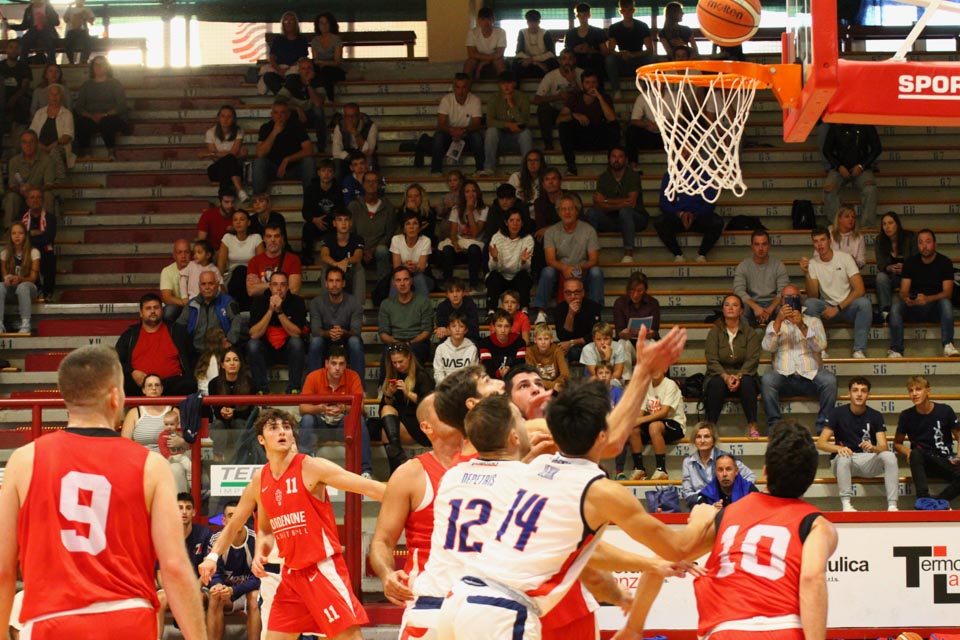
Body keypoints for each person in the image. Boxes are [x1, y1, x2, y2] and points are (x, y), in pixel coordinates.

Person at [436, 380, 714, 640]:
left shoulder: (536, 466)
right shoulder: (601, 491)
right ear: (602, 436)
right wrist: (701, 518)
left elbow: (590, 556)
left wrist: (644, 570)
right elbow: (678, 547)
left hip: (459, 598)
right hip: (503, 610)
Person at [0, 345, 206, 639]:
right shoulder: (150, 465)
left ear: (66, 397)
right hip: (127, 618)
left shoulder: (24, 460)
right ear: (115, 396)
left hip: (52, 619)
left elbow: (4, 569)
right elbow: (173, 567)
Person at [240, 409, 383, 638]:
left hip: (321, 569)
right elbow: (265, 530)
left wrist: (414, 501)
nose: (282, 432)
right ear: (261, 439)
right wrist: (260, 552)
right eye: (274, 428)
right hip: (292, 574)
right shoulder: (264, 479)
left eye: (286, 427)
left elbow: (372, 488)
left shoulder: (310, 467)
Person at [692, 420, 838, 640]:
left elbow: (674, 550)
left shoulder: (728, 513)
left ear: (765, 471)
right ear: (810, 479)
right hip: (785, 627)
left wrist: (695, 525)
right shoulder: (817, 524)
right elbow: (811, 578)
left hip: (726, 628)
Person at [369, 394, 464, 619]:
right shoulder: (410, 474)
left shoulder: (488, 465)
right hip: (430, 597)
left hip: (480, 596)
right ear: (426, 427)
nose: (453, 411)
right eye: (443, 409)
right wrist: (387, 574)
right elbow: (382, 541)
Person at [760, 284, 837, 433]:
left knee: (830, 381)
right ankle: (775, 427)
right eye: (786, 298)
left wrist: (802, 325)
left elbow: (820, 346)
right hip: (783, 376)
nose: (790, 300)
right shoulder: (774, 324)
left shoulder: (813, 321)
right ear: (781, 301)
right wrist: (778, 321)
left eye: (794, 297)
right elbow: (767, 347)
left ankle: (824, 427)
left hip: (811, 376)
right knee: (767, 380)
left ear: (800, 300)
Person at [817, 376, 899, 512]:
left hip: (867, 460)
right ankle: (846, 504)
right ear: (849, 393)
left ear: (868, 395)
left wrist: (873, 448)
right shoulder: (836, 413)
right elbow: (821, 443)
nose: (859, 394)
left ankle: (892, 505)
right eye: (855, 390)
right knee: (844, 456)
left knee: (890, 456)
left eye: (863, 391)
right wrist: (839, 448)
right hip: (844, 460)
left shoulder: (876, 415)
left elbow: (884, 447)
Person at [299, 345, 371, 475]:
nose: (337, 368)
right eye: (334, 363)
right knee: (307, 419)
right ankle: (302, 467)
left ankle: (365, 471)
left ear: (346, 365)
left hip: (343, 425)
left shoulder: (353, 376)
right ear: (326, 364)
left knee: (359, 421)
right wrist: (320, 408)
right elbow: (303, 408)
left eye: (341, 364)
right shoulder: (313, 377)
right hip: (320, 423)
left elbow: (361, 408)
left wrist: (343, 408)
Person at [801, 226, 872, 358]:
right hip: (826, 308)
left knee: (864, 303)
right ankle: (820, 348)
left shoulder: (845, 258)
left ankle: (859, 350)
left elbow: (860, 289)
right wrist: (806, 274)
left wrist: (838, 308)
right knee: (809, 304)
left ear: (830, 241)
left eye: (822, 240)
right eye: (816, 241)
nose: (819, 244)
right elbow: (813, 295)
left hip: (847, 306)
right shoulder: (812, 263)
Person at [888, 228, 959, 358]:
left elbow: (948, 293)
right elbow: (903, 291)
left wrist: (928, 299)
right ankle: (896, 350)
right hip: (914, 306)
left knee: (945, 303)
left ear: (935, 244)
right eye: (920, 242)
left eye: (928, 242)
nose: (924, 246)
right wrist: (908, 298)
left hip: (935, 308)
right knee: (896, 305)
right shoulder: (910, 263)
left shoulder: (945, 262)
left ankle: (948, 345)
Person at [532, 193, 603, 318]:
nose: (567, 212)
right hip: (560, 271)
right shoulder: (551, 232)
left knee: (596, 271)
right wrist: (565, 268)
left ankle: (596, 312)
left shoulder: (589, 230)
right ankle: (541, 311)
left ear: (577, 211)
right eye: (563, 209)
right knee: (547, 271)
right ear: (558, 212)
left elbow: (594, 259)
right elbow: (550, 260)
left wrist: (581, 267)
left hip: (582, 270)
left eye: (570, 208)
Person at [894, 375, 960, 507]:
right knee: (915, 453)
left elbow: (959, 435)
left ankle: (936, 503)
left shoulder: (945, 410)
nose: (914, 394)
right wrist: (908, 452)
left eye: (918, 389)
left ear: (928, 390)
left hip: (945, 459)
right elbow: (897, 443)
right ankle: (923, 498)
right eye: (911, 390)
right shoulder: (906, 415)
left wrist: (958, 456)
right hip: (924, 462)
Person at [116, 293, 196, 397]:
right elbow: (116, 360)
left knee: (189, 384)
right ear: (141, 313)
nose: (153, 311)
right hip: (140, 386)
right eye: (148, 308)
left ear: (162, 311)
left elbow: (192, 357)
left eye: (156, 307)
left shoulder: (177, 331)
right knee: (123, 383)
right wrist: (132, 372)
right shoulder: (129, 335)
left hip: (171, 385)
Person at [703, 294, 762, 438]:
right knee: (716, 384)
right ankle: (710, 427)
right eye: (727, 305)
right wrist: (725, 376)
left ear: (741, 310)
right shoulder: (714, 332)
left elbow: (753, 359)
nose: (730, 308)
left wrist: (738, 376)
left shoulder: (750, 332)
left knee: (747, 382)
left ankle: (753, 426)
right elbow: (711, 359)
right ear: (723, 310)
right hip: (719, 375)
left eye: (735, 305)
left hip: (744, 374)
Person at [206, 501, 261, 640]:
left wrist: (234, 590)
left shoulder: (256, 538)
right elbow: (213, 571)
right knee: (215, 596)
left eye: (239, 515)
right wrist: (218, 585)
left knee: (254, 598)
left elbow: (259, 577)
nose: (236, 519)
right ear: (223, 520)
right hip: (226, 593)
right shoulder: (216, 539)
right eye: (231, 515)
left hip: (247, 591)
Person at [586, 146, 649, 262]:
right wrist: (621, 203)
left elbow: (631, 203)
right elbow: (598, 204)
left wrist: (606, 201)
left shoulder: (633, 176)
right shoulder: (603, 178)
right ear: (609, 159)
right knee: (591, 213)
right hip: (612, 219)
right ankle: (592, 253)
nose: (616, 159)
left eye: (620, 156)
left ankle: (628, 253)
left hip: (635, 218)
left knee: (625, 212)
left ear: (626, 159)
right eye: (613, 156)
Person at [247, 270, 306, 395]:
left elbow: (296, 333)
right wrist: (270, 310)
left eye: (283, 284)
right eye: (275, 284)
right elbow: (254, 334)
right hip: (266, 350)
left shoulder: (297, 302)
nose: (279, 288)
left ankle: (294, 389)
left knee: (297, 343)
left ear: (287, 287)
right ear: (269, 286)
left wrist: (279, 311)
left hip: (288, 350)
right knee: (253, 345)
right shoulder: (259, 301)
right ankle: (261, 390)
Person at [380, 343, 436, 472]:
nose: (398, 366)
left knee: (385, 434)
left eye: (401, 362)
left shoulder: (421, 375)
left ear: (409, 357)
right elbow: (385, 407)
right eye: (394, 363)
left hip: (417, 421)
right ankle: (397, 454)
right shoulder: (392, 376)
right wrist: (389, 394)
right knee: (386, 412)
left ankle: (395, 469)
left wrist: (408, 393)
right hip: (400, 418)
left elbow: (428, 404)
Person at [556, 70, 618, 176]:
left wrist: (599, 97)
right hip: (580, 138)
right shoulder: (575, 97)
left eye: (594, 82)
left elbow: (612, 118)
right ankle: (571, 166)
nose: (591, 86)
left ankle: (612, 166)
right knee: (564, 126)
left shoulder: (605, 97)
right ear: (582, 84)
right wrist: (574, 115)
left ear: (598, 84)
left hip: (598, 137)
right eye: (587, 82)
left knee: (614, 126)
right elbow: (559, 120)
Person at [681, 422, 756, 508]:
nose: (702, 440)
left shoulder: (725, 459)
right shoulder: (688, 462)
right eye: (698, 437)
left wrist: (736, 494)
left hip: (724, 503)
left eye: (706, 436)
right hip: (700, 504)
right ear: (694, 440)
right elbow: (687, 492)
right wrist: (704, 500)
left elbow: (750, 476)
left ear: (713, 440)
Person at [308, 266, 364, 380]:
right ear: (326, 284)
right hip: (325, 342)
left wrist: (342, 332)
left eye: (338, 281)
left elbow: (356, 331)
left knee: (355, 342)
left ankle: (359, 386)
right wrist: (329, 333)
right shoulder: (316, 303)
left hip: (346, 341)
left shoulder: (354, 303)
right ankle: (313, 384)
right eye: (331, 281)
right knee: (315, 341)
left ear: (343, 283)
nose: (334, 284)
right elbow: (315, 331)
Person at [655, 170, 723, 262]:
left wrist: (695, 215)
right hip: (677, 217)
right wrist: (680, 214)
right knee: (660, 222)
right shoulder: (670, 174)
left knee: (717, 222)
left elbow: (711, 201)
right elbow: (664, 203)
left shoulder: (705, 174)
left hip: (698, 216)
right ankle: (678, 254)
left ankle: (701, 254)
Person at [252, 99, 316, 196]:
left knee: (309, 161)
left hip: (294, 168)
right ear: (271, 114)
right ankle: (258, 198)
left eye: (282, 113)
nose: (279, 116)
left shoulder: (297, 126)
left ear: (288, 114)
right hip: (273, 168)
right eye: (276, 113)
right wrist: (274, 132)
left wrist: (287, 160)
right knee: (258, 162)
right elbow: (260, 154)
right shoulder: (266, 127)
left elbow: (309, 150)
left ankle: (311, 198)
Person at [822, 123, 881, 227]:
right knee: (828, 189)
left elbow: (877, 148)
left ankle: (867, 226)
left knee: (871, 189)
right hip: (839, 168)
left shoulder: (866, 124)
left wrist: (862, 165)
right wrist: (838, 166)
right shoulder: (836, 126)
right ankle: (838, 225)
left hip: (862, 167)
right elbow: (826, 150)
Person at [74, 56, 127, 160]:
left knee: (107, 122)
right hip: (91, 118)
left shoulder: (115, 84)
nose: (99, 67)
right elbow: (79, 106)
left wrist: (104, 115)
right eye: (96, 64)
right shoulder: (86, 85)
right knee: (81, 123)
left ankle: (111, 152)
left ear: (107, 67)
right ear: (92, 67)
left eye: (102, 64)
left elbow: (121, 105)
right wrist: (90, 116)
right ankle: (86, 153)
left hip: (111, 117)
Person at [379, 266, 434, 367]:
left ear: (411, 281)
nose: (402, 284)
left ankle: (414, 378)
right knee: (386, 356)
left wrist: (410, 343)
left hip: (418, 343)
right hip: (395, 343)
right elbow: (383, 334)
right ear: (394, 283)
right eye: (398, 280)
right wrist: (397, 343)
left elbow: (426, 331)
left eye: (406, 279)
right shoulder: (386, 304)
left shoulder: (423, 302)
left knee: (414, 353)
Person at [177, 270, 242, 354]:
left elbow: (237, 320)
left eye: (211, 283)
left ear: (217, 285)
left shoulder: (227, 301)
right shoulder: (192, 304)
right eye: (203, 284)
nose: (207, 287)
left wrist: (230, 340)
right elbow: (179, 326)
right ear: (199, 286)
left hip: (221, 351)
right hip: (195, 352)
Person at [733, 229, 790, 326]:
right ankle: (746, 335)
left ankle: (782, 335)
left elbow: (783, 292)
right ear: (752, 246)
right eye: (757, 244)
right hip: (752, 303)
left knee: (785, 308)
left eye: (764, 244)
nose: (760, 248)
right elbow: (738, 290)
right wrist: (756, 307)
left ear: (769, 246)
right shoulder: (743, 266)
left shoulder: (778, 265)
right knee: (740, 309)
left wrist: (770, 309)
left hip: (773, 304)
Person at [437, 179, 487, 290]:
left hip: (475, 249)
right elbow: (453, 233)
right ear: (463, 194)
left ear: (478, 193)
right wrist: (455, 244)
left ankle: (473, 285)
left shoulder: (484, 210)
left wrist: (470, 211)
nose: (471, 194)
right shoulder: (456, 209)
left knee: (474, 249)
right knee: (447, 250)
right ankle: (448, 284)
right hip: (460, 247)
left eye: (473, 191)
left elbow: (475, 233)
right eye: (467, 191)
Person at [348, 169, 396, 283]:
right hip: (358, 249)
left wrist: (372, 250)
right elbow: (350, 232)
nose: (371, 184)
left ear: (379, 184)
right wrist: (362, 249)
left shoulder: (388, 207)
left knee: (382, 250)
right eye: (368, 181)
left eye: (374, 181)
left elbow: (389, 233)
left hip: (379, 250)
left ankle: (383, 287)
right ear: (363, 184)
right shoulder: (354, 206)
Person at [431, 74, 484, 175]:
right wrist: (452, 131)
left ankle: (480, 169)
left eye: (464, 87)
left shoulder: (475, 100)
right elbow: (441, 124)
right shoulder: (446, 100)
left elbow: (476, 124)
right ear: (453, 88)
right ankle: (436, 171)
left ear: (468, 88)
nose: (461, 91)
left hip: (467, 134)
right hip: (449, 134)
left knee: (477, 137)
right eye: (458, 87)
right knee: (438, 137)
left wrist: (463, 131)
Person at [4, 130, 55, 232]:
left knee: (48, 195)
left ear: (37, 143)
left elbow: (49, 184)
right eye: (24, 142)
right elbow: (12, 185)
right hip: (21, 195)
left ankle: (47, 231)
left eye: (31, 142)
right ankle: (10, 231)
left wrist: (33, 190)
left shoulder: (47, 160)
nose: (28, 145)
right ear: (20, 144)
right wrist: (20, 189)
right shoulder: (14, 161)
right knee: (11, 197)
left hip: (39, 194)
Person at [482, 72, 532, 176]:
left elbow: (525, 122)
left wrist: (512, 105)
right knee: (491, 131)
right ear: (499, 85)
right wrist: (508, 124)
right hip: (500, 138)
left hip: (517, 138)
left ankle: (525, 170)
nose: (506, 86)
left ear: (514, 84)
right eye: (503, 83)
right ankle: (489, 168)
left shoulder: (522, 97)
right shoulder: (494, 98)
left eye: (509, 83)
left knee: (526, 133)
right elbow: (489, 121)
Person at [533, 49, 582, 151]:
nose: (567, 62)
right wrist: (558, 97)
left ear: (574, 60)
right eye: (564, 59)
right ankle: (548, 144)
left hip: (574, 110)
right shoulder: (551, 76)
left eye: (570, 59)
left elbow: (588, 96)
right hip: (555, 110)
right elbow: (536, 99)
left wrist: (573, 82)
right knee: (543, 108)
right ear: (559, 61)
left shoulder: (581, 73)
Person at [486, 210, 534, 313]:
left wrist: (523, 262)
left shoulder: (528, 239)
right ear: (506, 222)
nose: (515, 224)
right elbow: (492, 268)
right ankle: (491, 311)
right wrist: (495, 258)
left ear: (522, 223)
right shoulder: (497, 237)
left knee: (524, 277)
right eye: (511, 220)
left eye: (518, 220)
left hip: (518, 276)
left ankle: (524, 310)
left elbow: (527, 268)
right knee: (493, 276)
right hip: (501, 276)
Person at [603, 0, 654, 95]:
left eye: (629, 10)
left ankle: (646, 89)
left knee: (652, 59)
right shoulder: (614, 28)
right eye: (624, 10)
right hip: (622, 60)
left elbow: (650, 50)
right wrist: (621, 54)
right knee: (609, 60)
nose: (627, 13)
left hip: (638, 60)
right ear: (620, 11)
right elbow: (611, 50)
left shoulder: (642, 26)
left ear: (633, 10)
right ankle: (616, 90)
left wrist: (633, 55)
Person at [874, 211, 916, 323]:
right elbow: (881, 264)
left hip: (908, 277)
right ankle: (885, 312)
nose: (887, 227)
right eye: (884, 224)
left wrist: (906, 268)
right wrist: (889, 268)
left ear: (897, 224)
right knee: (881, 277)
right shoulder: (879, 240)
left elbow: (917, 260)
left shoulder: (910, 237)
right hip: (891, 276)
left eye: (890, 223)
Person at [552, 276, 604, 364]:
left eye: (577, 292)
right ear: (564, 294)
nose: (573, 297)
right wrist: (570, 314)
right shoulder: (559, 309)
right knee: (560, 350)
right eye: (568, 293)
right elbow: (563, 337)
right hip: (569, 347)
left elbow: (595, 335)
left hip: (590, 346)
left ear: (583, 293)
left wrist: (572, 342)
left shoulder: (593, 307)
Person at [218, 210, 263, 311]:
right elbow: (221, 264)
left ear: (248, 222)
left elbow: (261, 263)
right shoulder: (227, 238)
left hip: (251, 277)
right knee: (239, 271)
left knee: (242, 271)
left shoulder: (256, 238)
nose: (238, 222)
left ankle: (243, 310)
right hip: (232, 277)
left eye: (242, 219)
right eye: (235, 220)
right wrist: (220, 284)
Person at [29, 83, 74, 183]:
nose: (54, 97)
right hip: (39, 146)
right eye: (51, 94)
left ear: (61, 96)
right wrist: (40, 145)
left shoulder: (67, 114)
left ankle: (60, 179)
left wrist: (53, 145)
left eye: (57, 94)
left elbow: (67, 135)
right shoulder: (39, 113)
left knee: (54, 152)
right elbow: (32, 133)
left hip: (59, 146)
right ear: (48, 96)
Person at [279, 57, 327, 150]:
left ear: (313, 70)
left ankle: (321, 146)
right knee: (285, 113)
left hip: (312, 116)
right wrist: (298, 109)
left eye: (309, 68)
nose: (306, 71)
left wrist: (308, 84)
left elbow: (318, 103)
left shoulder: (318, 80)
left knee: (319, 111)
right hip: (297, 115)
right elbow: (279, 101)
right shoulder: (293, 80)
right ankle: (292, 147)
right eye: (303, 68)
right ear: (299, 71)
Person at [203, 104, 249, 202]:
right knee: (229, 160)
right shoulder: (210, 132)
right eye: (223, 116)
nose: (225, 119)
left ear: (234, 119)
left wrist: (214, 154)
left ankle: (224, 197)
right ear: (218, 118)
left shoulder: (238, 131)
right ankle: (240, 190)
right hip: (217, 169)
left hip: (233, 169)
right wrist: (229, 154)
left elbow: (233, 153)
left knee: (230, 161)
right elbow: (215, 158)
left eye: (229, 116)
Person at [0, 222, 39, 334]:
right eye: (14, 233)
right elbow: (4, 275)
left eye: (20, 233)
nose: (17, 236)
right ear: (10, 236)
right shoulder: (5, 253)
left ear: (25, 235)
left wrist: (20, 279)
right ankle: (0, 324)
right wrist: (8, 279)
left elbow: (33, 278)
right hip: (12, 289)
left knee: (23, 287)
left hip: (29, 288)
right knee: (0, 286)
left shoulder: (34, 252)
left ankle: (26, 323)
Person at [246, 222, 303, 298]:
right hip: (263, 303)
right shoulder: (254, 261)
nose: (273, 240)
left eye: (276, 236)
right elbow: (251, 291)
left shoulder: (293, 260)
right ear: (264, 238)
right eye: (269, 236)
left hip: (285, 303)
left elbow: (293, 290)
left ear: (282, 238)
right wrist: (282, 285)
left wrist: (261, 284)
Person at [320, 210, 366, 302]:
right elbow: (324, 255)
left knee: (359, 268)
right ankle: (326, 303)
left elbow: (358, 257)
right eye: (340, 220)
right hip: (334, 274)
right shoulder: (328, 238)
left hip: (349, 273)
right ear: (334, 223)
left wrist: (346, 261)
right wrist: (336, 264)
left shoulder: (358, 239)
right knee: (325, 268)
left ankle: (358, 305)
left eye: (346, 220)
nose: (343, 223)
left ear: (351, 223)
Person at [207, 347, 255, 431]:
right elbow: (215, 411)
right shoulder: (213, 384)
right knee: (218, 424)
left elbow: (249, 412)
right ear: (222, 365)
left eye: (235, 360)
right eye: (228, 360)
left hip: (242, 421)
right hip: (222, 421)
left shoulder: (250, 383)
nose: (232, 363)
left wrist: (234, 412)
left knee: (239, 423)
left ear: (240, 364)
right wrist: (222, 411)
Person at [261, 11, 308, 95]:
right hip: (278, 69)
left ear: (295, 23)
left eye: (291, 21)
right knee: (268, 77)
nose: (288, 23)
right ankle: (284, 96)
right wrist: (279, 69)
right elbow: (272, 57)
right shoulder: (277, 39)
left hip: (294, 69)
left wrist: (289, 68)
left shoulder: (302, 39)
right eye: (286, 21)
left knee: (294, 79)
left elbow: (302, 58)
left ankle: (282, 97)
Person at [390, 211, 433, 297]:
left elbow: (422, 267)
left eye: (415, 223)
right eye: (408, 224)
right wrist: (405, 267)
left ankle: (423, 305)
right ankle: (393, 305)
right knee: (398, 279)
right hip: (402, 275)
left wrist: (415, 268)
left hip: (423, 275)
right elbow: (396, 267)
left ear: (419, 228)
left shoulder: (426, 241)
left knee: (418, 278)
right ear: (403, 229)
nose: (411, 227)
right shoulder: (396, 239)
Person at [6, 0, 60, 64]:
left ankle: (52, 63)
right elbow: (24, 25)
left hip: (47, 30)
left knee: (49, 42)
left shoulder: (48, 7)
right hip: (33, 31)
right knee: (25, 42)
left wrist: (47, 20)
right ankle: (22, 64)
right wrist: (11, 26)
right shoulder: (29, 10)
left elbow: (56, 22)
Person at [613, 271, 661, 343]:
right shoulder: (620, 303)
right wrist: (623, 334)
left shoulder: (653, 303)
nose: (635, 295)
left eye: (640, 291)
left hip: (646, 339)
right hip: (627, 340)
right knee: (622, 343)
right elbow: (619, 330)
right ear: (628, 289)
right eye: (632, 290)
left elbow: (655, 330)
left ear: (645, 290)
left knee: (652, 342)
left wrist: (651, 333)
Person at [330, 102, 378, 174]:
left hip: (364, 156)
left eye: (353, 116)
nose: (350, 119)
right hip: (348, 156)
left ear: (359, 116)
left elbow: (369, 151)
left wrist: (355, 132)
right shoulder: (339, 127)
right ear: (344, 117)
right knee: (337, 162)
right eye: (347, 116)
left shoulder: (370, 125)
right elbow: (336, 152)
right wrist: (352, 158)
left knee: (370, 159)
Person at [479, 309, 527, 380]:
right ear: (494, 326)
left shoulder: (519, 342)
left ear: (511, 327)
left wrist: (508, 372)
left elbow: (520, 366)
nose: (503, 330)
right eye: (499, 326)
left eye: (506, 326)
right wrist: (499, 373)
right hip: (492, 381)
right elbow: (486, 368)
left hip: (514, 379)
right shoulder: (485, 343)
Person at [434, 312, 479, 383]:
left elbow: (473, 373)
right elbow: (438, 373)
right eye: (454, 326)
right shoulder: (440, 348)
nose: (457, 329)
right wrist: (447, 386)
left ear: (466, 330)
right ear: (448, 329)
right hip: (445, 387)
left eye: (461, 326)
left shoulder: (472, 349)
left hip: (465, 386)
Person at [309, 12, 346, 101]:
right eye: (321, 23)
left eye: (326, 23)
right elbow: (315, 59)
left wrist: (323, 63)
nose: (324, 25)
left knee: (326, 72)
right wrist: (319, 63)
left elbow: (337, 62)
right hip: (320, 69)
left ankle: (330, 99)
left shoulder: (336, 40)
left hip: (335, 70)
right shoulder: (315, 41)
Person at [512, 10, 557, 80]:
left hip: (542, 60)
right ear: (527, 22)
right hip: (527, 60)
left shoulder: (545, 33)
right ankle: (516, 86)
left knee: (553, 62)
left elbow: (551, 53)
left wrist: (533, 59)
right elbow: (519, 52)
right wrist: (535, 62)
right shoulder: (522, 32)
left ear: (539, 22)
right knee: (515, 63)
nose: (532, 24)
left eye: (535, 21)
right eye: (530, 22)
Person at [463, 7, 507, 79]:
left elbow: (499, 53)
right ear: (478, 21)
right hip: (478, 58)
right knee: (469, 63)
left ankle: (504, 85)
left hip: (495, 59)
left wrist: (482, 64)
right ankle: (465, 85)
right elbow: (471, 53)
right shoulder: (472, 32)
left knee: (500, 63)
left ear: (493, 20)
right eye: (483, 19)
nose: (486, 22)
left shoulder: (501, 32)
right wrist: (484, 60)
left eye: (489, 19)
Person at [434, 278, 481, 344]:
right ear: (447, 295)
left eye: (458, 291)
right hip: (449, 341)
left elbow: (473, 330)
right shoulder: (442, 307)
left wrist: (450, 332)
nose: (455, 295)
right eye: (451, 292)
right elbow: (442, 330)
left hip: (468, 340)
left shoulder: (471, 305)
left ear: (463, 293)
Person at [564, 3, 606, 75]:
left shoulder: (598, 32)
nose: (582, 18)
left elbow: (605, 52)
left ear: (589, 16)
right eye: (579, 15)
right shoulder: (570, 34)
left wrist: (590, 50)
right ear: (576, 16)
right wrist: (574, 50)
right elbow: (566, 53)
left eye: (584, 15)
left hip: (595, 63)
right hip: (576, 64)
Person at [525, 323, 569, 391]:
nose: (543, 342)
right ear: (535, 340)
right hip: (538, 386)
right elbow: (531, 376)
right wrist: (552, 386)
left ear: (551, 339)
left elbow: (565, 374)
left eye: (546, 339)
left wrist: (555, 385)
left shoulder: (557, 350)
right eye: (540, 339)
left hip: (557, 385)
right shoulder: (530, 352)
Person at [0, 39, 32, 128]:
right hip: (2, 95)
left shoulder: (24, 67)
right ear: (6, 50)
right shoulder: (0, 65)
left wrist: (13, 99)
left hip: (18, 96)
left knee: (23, 101)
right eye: (11, 47)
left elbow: (25, 86)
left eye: (16, 48)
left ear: (19, 51)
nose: (13, 50)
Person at [160, 239, 193, 323]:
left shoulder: (198, 268)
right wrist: (184, 302)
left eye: (186, 252)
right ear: (174, 255)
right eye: (179, 252)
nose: (183, 256)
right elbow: (167, 298)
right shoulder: (167, 271)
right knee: (168, 311)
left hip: (196, 305)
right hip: (178, 305)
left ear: (191, 254)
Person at [196, 186, 238, 253]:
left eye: (232, 202)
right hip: (212, 253)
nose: (230, 205)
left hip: (233, 252)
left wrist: (236, 231)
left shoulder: (238, 216)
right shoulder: (207, 215)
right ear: (219, 202)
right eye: (226, 202)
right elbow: (201, 242)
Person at [626, 91, 662, 165]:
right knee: (632, 131)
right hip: (648, 133)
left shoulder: (673, 97)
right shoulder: (642, 97)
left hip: (667, 134)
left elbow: (680, 120)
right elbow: (634, 120)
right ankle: (633, 164)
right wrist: (648, 124)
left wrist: (662, 125)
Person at [829, 205, 866, 269]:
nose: (851, 219)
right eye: (847, 216)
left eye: (853, 217)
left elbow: (862, 262)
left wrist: (854, 261)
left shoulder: (859, 237)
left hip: (850, 270)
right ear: (839, 219)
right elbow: (818, 256)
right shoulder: (829, 234)